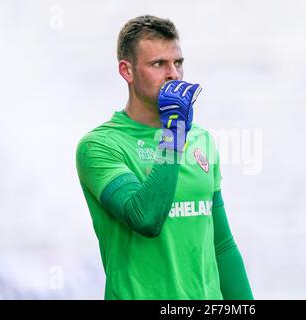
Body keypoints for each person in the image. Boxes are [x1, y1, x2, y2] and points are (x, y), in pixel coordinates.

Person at [75, 15, 253, 300]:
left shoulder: (200, 139)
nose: (173, 74)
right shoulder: (99, 146)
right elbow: (145, 219)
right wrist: (173, 139)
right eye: (158, 64)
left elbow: (222, 245)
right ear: (127, 71)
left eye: (178, 63)